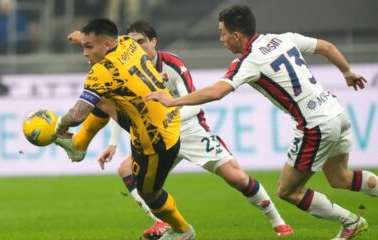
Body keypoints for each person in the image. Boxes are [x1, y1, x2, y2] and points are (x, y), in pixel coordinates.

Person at [146, 5, 377, 240]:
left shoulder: (248, 61)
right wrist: (348, 73)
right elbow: (327, 47)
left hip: (315, 126)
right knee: (340, 179)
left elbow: (216, 92)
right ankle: (353, 220)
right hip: (336, 111)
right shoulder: (284, 38)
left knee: (288, 191)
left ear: (236, 35)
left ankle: (351, 222)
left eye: (223, 33)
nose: (221, 39)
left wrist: (172, 101)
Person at [58, 20, 293, 239]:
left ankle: (278, 221)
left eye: (141, 41)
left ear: (153, 42)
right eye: (133, 40)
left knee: (237, 178)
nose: (135, 44)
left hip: (186, 127)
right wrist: (112, 143)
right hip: (154, 127)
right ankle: (162, 222)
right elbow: (120, 104)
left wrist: (169, 112)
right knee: (125, 168)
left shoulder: (171, 64)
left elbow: (193, 99)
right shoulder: (124, 54)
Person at [54, 18, 195, 240]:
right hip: (157, 117)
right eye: (84, 46)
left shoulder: (101, 72)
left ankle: (183, 230)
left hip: (155, 138)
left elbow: (77, 115)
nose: (84, 53)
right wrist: (82, 37)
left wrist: (58, 125)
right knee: (101, 100)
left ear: (107, 44)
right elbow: (106, 39)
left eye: (89, 47)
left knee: (150, 195)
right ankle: (78, 146)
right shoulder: (129, 43)